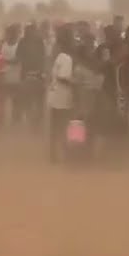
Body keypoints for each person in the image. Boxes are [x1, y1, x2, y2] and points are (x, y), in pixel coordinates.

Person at [46, 28, 76, 162]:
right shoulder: (67, 58)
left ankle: (53, 154)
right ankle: (68, 154)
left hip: (55, 96)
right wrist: (76, 83)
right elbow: (63, 77)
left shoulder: (58, 57)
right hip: (63, 98)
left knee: (55, 127)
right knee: (68, 126)